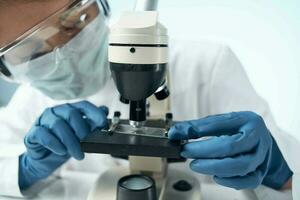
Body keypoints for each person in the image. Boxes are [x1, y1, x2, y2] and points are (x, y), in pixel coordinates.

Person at [0, 0, 297, 199]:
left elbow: (290, 182)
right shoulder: (32, 103)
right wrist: (25, 169)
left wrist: (280, 173)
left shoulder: (205, 66)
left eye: (73, 23)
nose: (64, 51)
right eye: (32, 52)